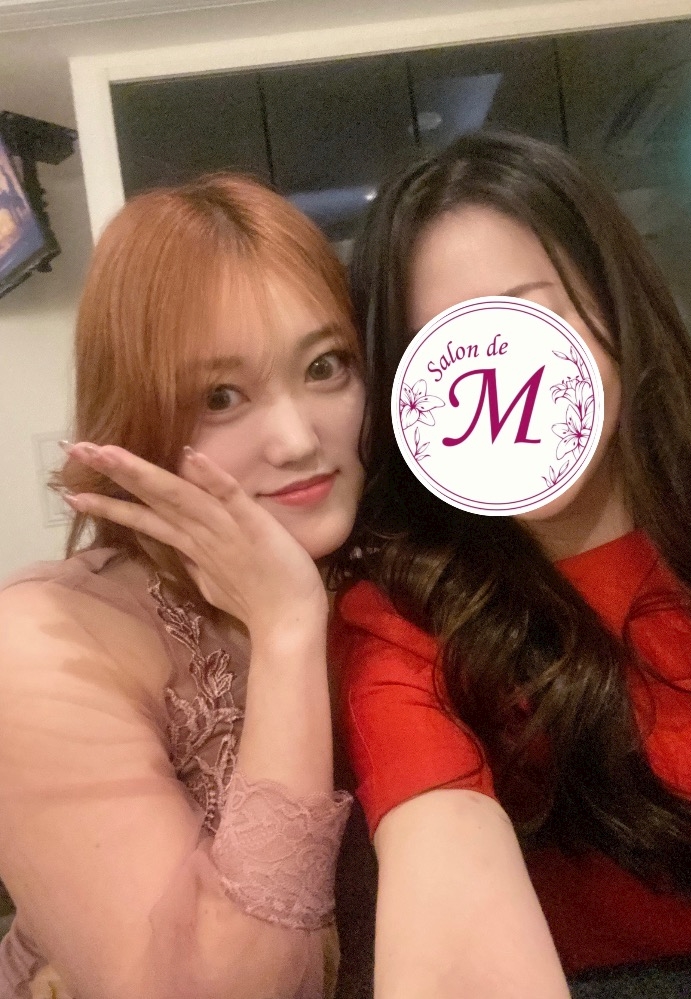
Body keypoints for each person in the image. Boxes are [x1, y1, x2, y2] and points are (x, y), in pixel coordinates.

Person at [329, 131, 691, 998]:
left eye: (529, 318)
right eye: (448, 349)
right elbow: (440, 875)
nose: (498, 383)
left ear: (615, 305)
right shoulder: (404, 622)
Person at [0, 173, 367, 999]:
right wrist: (285, 630)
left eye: (325, 365)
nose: (297, 439)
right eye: (221, 397)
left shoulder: (400, 569)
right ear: (138, 420)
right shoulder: (46, 640)